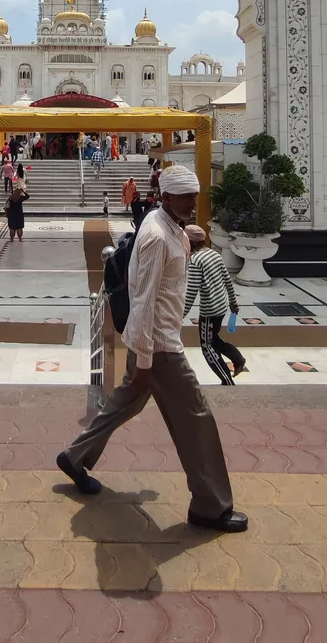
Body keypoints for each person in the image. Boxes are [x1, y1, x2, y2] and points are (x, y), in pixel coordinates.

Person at [56, 164, 247, 535]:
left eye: (195, 196)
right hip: (159, 347)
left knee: (125, 401)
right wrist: (145, 359)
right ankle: (210, 505)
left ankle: (75, 457)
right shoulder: (158, 236)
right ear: (166, 197)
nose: (194, 203)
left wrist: (186, 235)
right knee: (197, 421)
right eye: (186, 197)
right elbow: (142, 301)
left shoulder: (163, 224)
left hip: (149, 341)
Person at [184, 224, 245, 385]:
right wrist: (233, 302)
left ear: (190, 242)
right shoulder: (214, 254)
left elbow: (191, 292)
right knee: (214, 339)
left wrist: (180, 315)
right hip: (221, 306)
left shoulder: (196, 260)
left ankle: (226, 379)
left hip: (209, 311)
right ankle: (238, 359)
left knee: (207, 346)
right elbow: (227, 280)